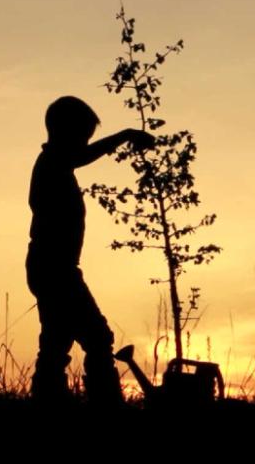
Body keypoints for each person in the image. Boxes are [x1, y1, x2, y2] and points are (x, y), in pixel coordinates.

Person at [26, 95, 154, 405]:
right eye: (82, 136)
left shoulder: (55, 166)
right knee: (97, 337)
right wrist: (124, 136)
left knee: (56, 342)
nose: (85, 144)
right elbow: (78, 157)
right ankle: (106, 404)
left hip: (53, 268)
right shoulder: (53, 162)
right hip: (56, 270)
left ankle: (49, 401)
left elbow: (76, 157)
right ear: (63, 131)